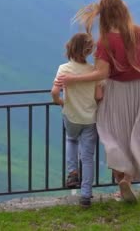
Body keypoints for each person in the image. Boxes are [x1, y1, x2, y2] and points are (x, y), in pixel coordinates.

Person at [55, 0, 140, 204]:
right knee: (134, 134)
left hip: (116, 91)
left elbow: (101, 73)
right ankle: (127, 179)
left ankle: (121, 181)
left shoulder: (106, 42)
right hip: (139, 90)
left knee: (112, 136)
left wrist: (73, 79)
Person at [51, 33, 104, 208]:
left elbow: (54, 93)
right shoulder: (93, 71)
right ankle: (86, 196)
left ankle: (72, 172)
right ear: (88, 51)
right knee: (88, 157)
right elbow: (98, 96)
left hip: (71, 115)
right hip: (90, 118)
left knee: (71, 139)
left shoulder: (63, 69)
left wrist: (61, 103)